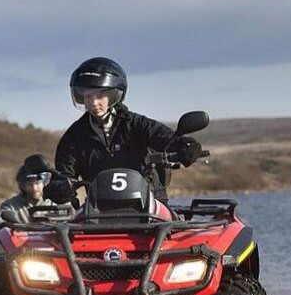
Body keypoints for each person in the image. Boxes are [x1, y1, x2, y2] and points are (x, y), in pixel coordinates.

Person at [49, 57, 202, 205]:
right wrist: (58, 188)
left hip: (150, 202)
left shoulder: (135, 123)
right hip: (97, 209)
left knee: (168, 225)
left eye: (100, 95)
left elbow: (164, 138)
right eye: (88, 96)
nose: (94, 102)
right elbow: (64, 173)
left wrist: (185, 145)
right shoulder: (74, 136)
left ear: (113, 94)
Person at [0, 155, 54, 231]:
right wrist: (4, 225)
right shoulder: (11, 205)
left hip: (55, 240)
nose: (34, 188)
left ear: (44, 183)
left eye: (37, 183)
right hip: (22, 241)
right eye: (29, 184)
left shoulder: (56, 203)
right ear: (22, 186)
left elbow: (71, 215)